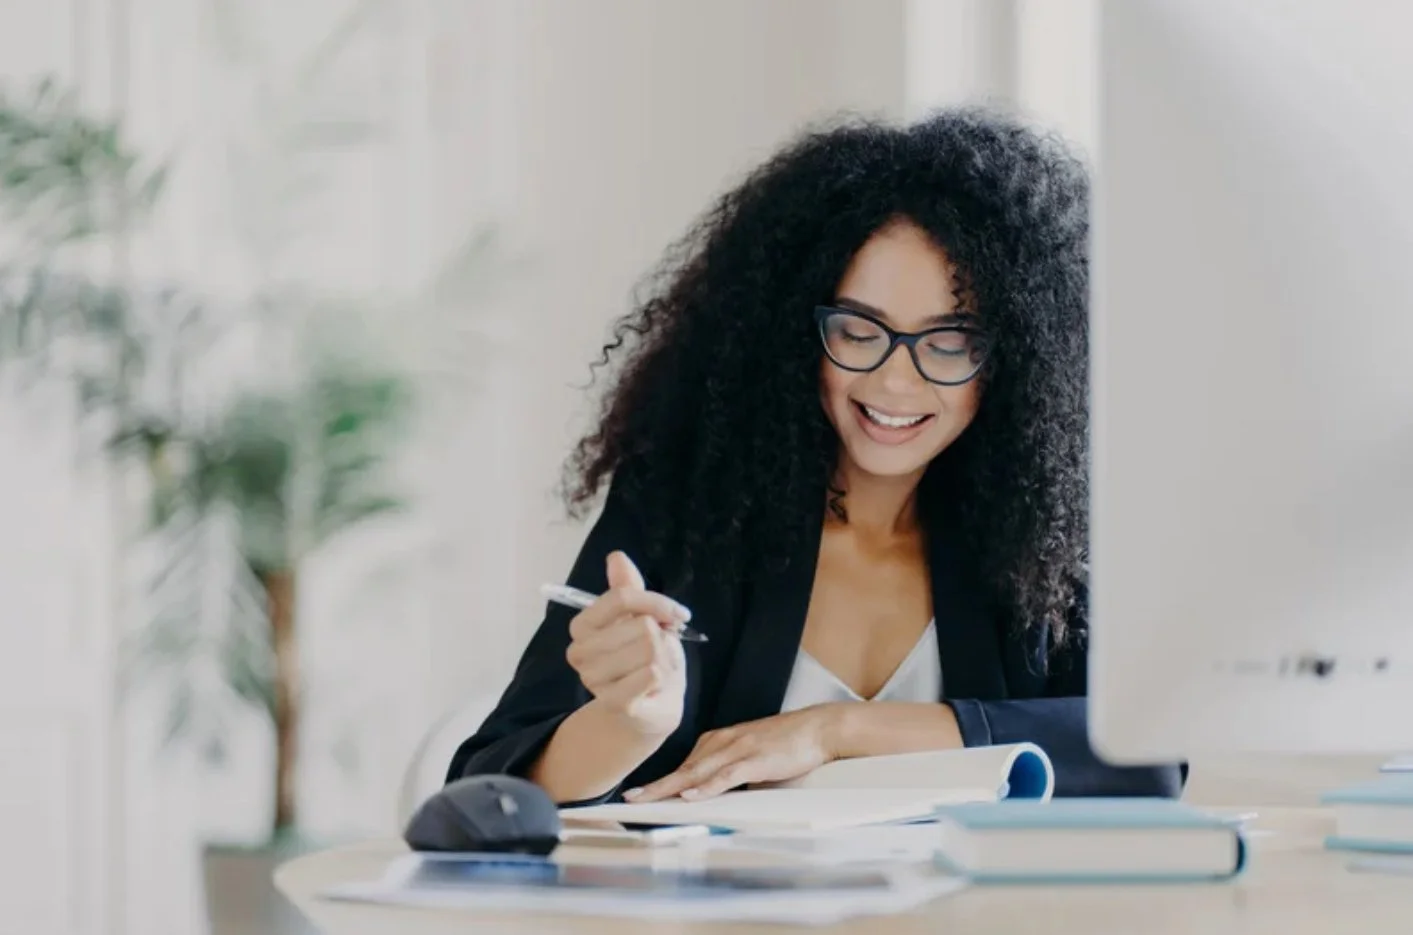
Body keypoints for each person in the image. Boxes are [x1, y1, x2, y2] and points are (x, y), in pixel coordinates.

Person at [447, 107, 1183, 805]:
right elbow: (487, 785)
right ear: (794, 331)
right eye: (860, 331)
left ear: (1018, 361)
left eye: (949, 341)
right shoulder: (688, 504)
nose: (897, 380)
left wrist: (835, 732)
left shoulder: (1043, 541)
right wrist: (627, 724)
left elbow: (1147, 755)